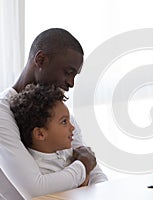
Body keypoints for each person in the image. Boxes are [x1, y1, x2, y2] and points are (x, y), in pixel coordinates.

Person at [0, 28, 99, 197]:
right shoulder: (3, 112)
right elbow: (34, 189)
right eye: (68, 72)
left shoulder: (59, 112)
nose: (71, 83)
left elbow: (96, 173)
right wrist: (83, 165)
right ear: (41, 60)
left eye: (75, 75)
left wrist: (88, 167)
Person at [10, 84, 107, 186]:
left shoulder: (70, 152)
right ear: (40, 134)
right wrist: (85, 171)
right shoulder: (40, 171)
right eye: (64, 122)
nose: (72, 128)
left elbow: (99, 179)